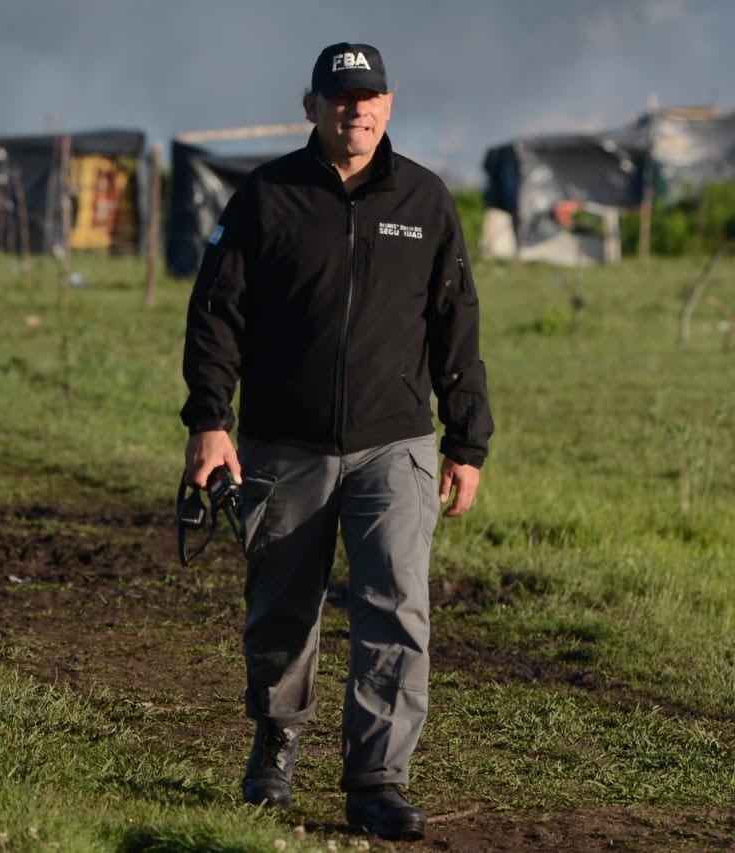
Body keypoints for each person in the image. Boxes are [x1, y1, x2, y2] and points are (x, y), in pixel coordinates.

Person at [180, 42, 493, 842]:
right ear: (311, 106)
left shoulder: (424, 198)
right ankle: (278, 736)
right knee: (282, 607)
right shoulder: (267, 195)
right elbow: (216, 312)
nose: (357, 109)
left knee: (396, 605)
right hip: (284, 443)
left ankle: (377, 778)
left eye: (370, 96)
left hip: (397, 441)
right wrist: (208, 421)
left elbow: (456, 321)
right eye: (341, 96)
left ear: (389, 105)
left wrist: (469, 440)